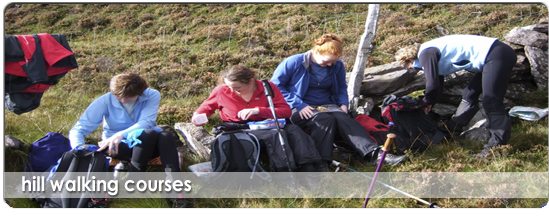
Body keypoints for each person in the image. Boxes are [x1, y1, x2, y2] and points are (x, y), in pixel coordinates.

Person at [270, 34, 407, 167]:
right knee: (324, 120)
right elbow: (275, 86)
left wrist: (343, 104)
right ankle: (321, 163)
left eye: (333, 62)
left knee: (344, 119)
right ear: (316, 52)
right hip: (297, 107)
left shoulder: (337, 65)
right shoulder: (294, 62)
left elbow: (342, 86)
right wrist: (298, 104)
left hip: (328, 105)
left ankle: (375, 154)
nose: (330, 65)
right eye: (326, 61)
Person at [68, 73, 191, 207]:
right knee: (150, 133)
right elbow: (79, 128)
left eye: (129, 97)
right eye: (118, 96)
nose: (123, 100)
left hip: (145, 142)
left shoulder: (151, 95)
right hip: (118, 146)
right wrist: (79, 148)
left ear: (141, 92)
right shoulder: (104, 101)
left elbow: (146, 121)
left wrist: (121, 134)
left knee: (163, 135)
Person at [394, 34, 517, 158]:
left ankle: (496, 147)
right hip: (496, 54)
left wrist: (426, 102)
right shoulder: (428, 51)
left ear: (409, 59)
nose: (413, 70)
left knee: (491, 101)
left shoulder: (425, 54)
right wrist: (430, 102)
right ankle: (453, 129)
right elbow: (437, 84)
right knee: (469, 93)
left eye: (408, 66)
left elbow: (433, 84)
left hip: (496, 55)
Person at [191, 65, 324, 173]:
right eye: (229, 87)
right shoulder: (221, 90)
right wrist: (198, 116)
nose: (232, 90)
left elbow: (285, 111)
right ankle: (283, 172)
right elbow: (206, 107)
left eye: (237, 88)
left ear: (251, 81)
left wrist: (258, 110)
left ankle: (310, 168)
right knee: (276, 134)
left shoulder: (267, 87)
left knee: (295, 130)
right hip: (238, 128)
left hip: (267, 123)